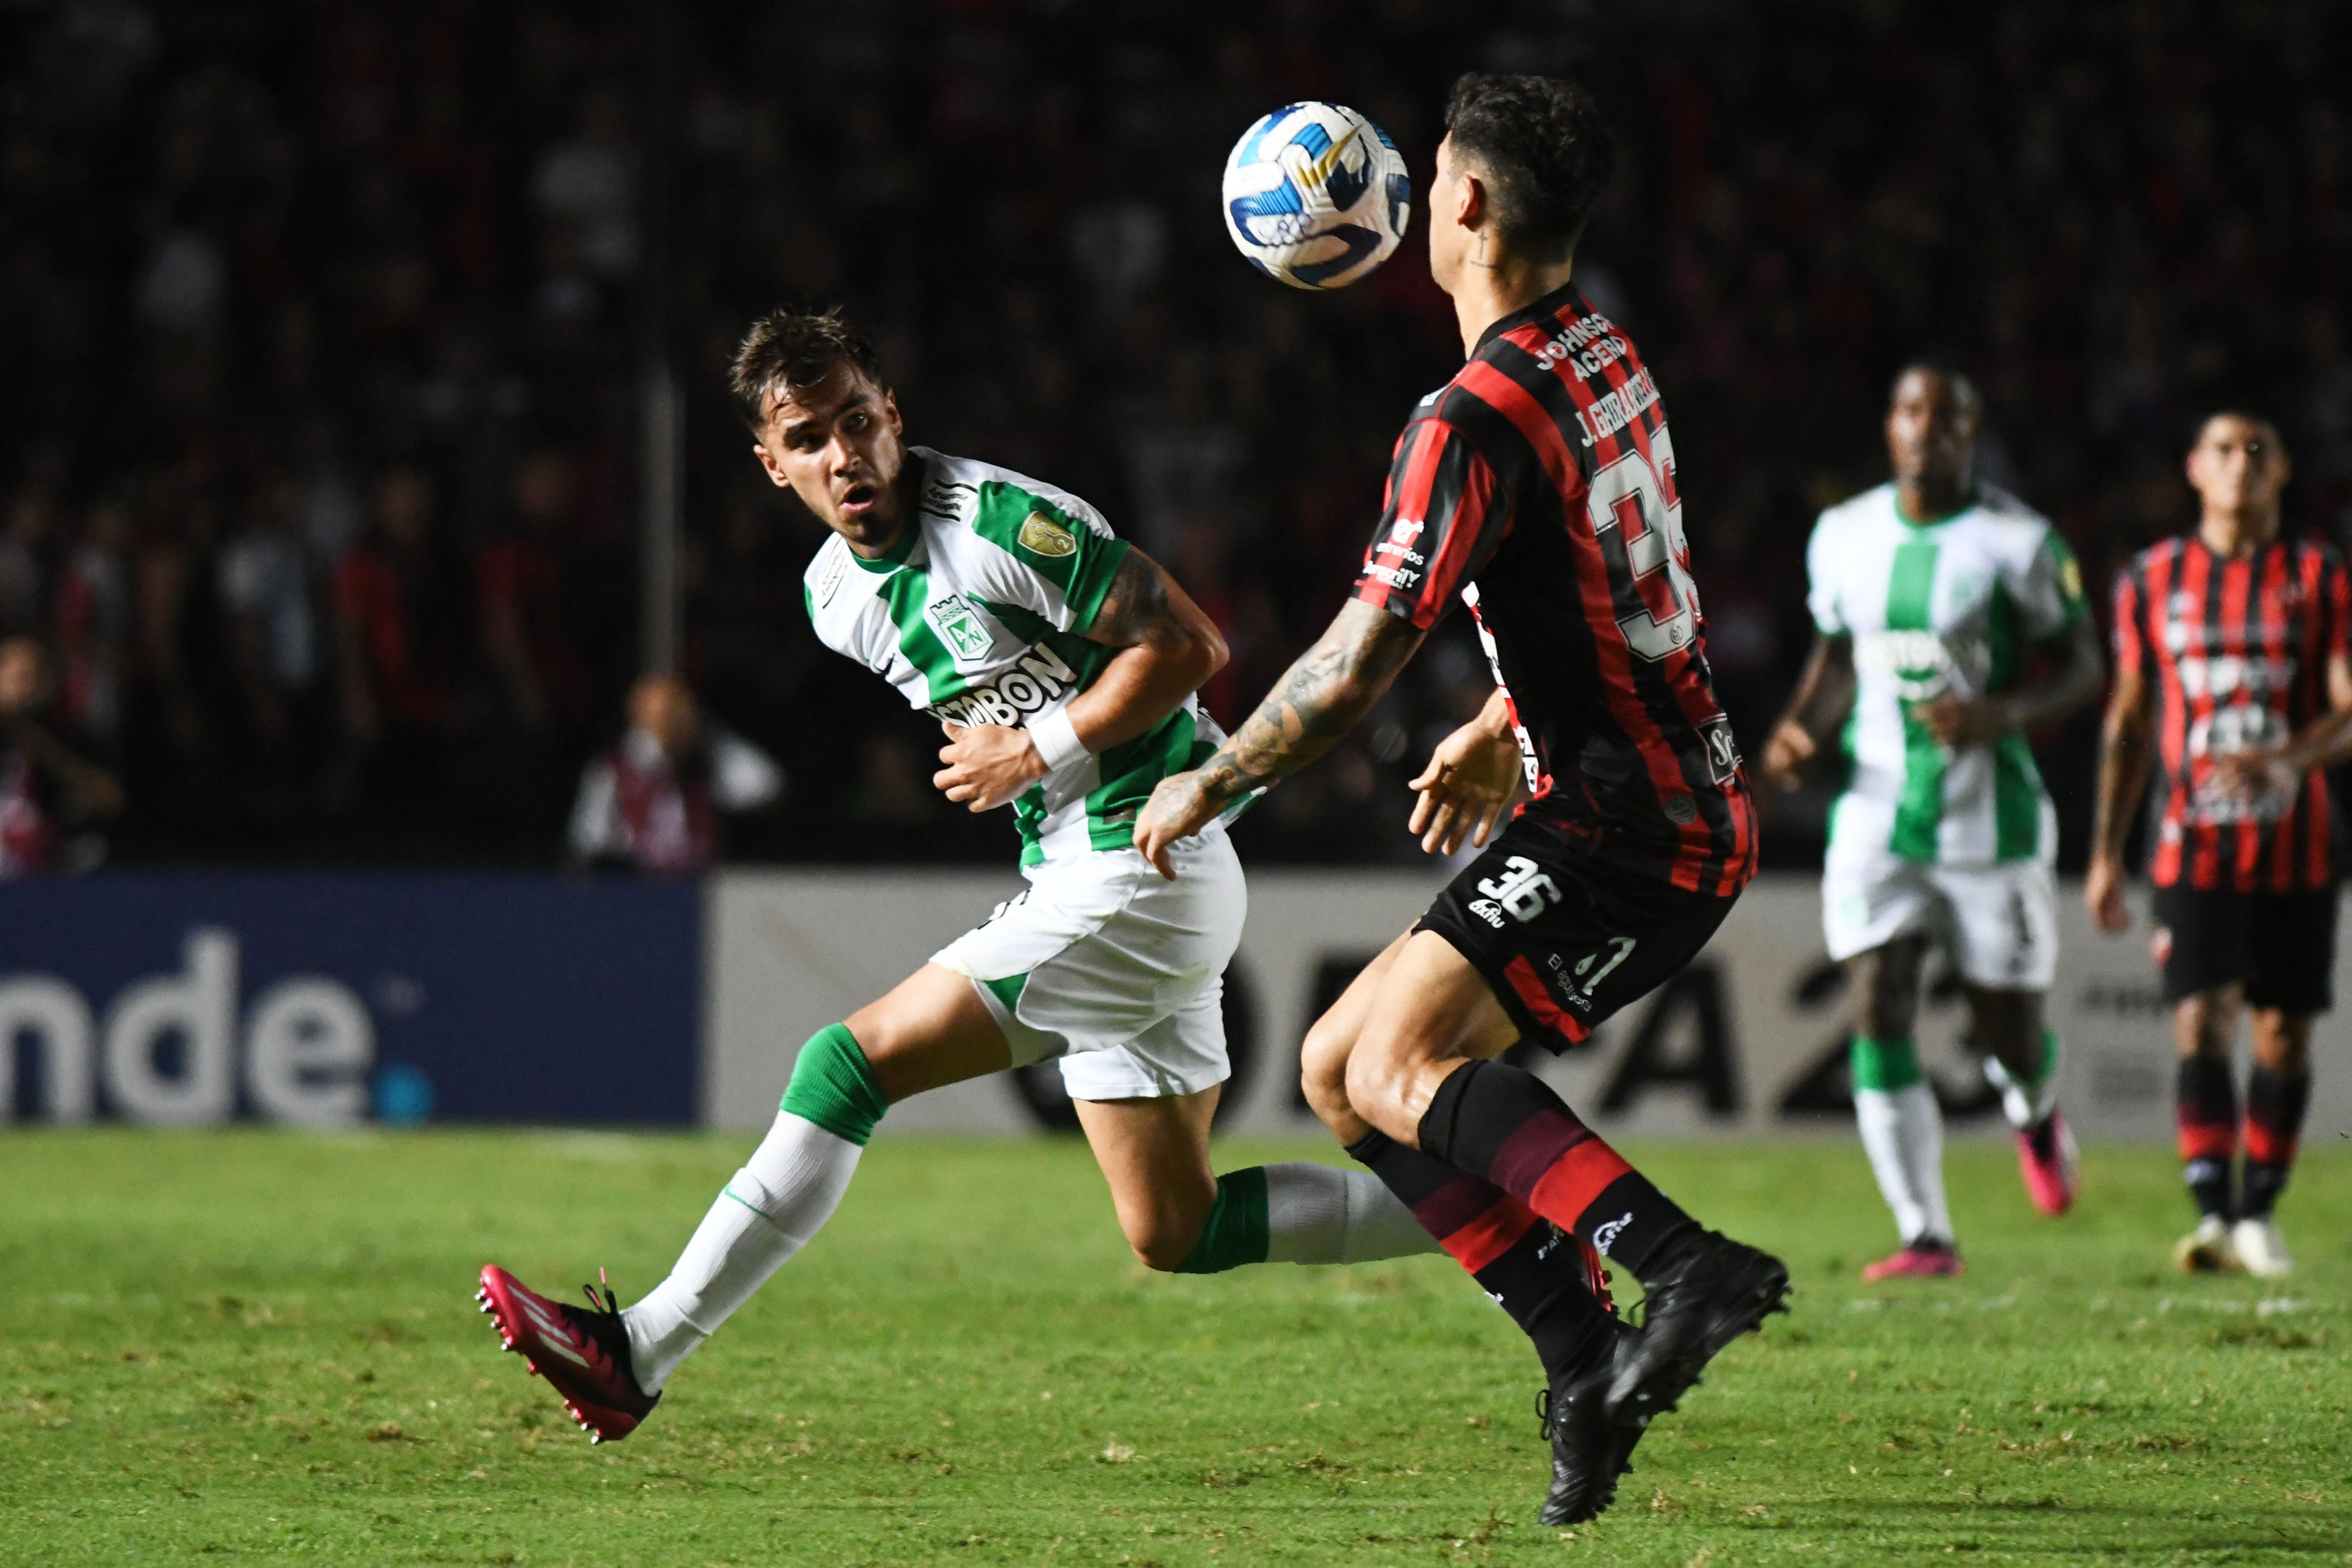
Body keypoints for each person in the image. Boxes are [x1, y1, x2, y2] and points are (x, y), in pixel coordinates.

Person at [478, 307, 1438, 1442]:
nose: (844, 455)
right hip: (1090, 872)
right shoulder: (835, 599)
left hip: (1143, 862)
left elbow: (1189, 646)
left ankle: (640, 1346)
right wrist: (1034, 758)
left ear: (893, 414)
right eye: (809, 438)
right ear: (771, 463)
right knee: (1174, 1226)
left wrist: (1037, 750)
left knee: (844, 1066)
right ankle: (1501, 1209)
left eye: (856, 421)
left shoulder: (1001, 525)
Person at [1136, 73, 1785, 1527]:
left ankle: (1680, 1264)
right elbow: (1626, 587)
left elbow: (1360, 658)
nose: (1420, 201)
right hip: (1631, 784)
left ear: (1471, 207)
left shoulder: (1468, 416)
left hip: (1638, 826)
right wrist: (1507, 710)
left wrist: (1218, 772)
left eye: (1430, 179)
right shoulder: (1601, 350)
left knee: (1397, 1065)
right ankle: (1584, 1355)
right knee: (1329, 1068)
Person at [1759, 366, 2102, 1280]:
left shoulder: (2018, 543)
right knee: (1878, 999)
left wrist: (2003, 712)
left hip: (1992, 821)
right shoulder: (1843, 535)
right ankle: (1926, 1234)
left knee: (2010, 1033)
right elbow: (1838, 657)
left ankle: (2033, 1109)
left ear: (1971, 435)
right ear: (1891, 425)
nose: (1928, 431)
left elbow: (2084, 665)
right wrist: (1800, 730)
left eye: (1947, 419)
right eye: (1912, 412)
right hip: (1876, 811)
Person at [2087, 412, 2347, 1279]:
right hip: (2188, 842)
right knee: (2202, 1017)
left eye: (2260, 451)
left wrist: (2288, 761)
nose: (2243, 465)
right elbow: (2128, 721)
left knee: (2282, 1034)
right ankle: (2210, 1213)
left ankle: (2258, 1213)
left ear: (2282, 472)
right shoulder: (2151, 579)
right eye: (2226, 451)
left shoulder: (2318, 574)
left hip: (2297, 843)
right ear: (2195, 469)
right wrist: (2103, 851)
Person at [566, 673, 783, 874]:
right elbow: (587, 843)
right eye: (668, 713)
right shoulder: (613, 771)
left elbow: (767, 785)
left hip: (700, 888)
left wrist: (709, 736)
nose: (680, 720)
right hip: (635, 888)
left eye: (685, 711)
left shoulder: (706, 760)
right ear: (640, 715)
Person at [0, 637, 124, 874]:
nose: (23, 683)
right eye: (13, 672)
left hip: (35, 871)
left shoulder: (55, 732)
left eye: (31, 675)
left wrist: (47, 753)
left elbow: (110, 798)